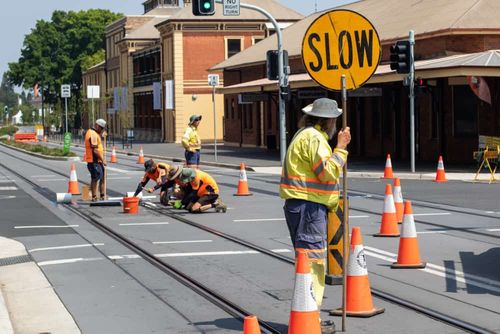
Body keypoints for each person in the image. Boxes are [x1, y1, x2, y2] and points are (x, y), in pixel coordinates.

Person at [279, 98, 351, 334]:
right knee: (313, 264)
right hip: (309, 208)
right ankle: (310, 319)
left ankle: (308, 316)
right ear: (328, 120)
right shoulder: (315, 138)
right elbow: (327, 172)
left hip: (301, 206)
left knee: (306, 263)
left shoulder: (303, 134)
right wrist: (341, 148)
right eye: (334, 120)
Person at [84, 119, 107, 201]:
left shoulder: (95, 133)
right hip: (94, 161)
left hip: (98, 161)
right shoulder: (92, 134)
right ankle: (94, 196)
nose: (102, 130)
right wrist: (103, 159)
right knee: (95, 178)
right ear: (97, 125)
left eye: (103, 128)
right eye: (101, 128)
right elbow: (95, 150)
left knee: (102, 177)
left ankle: (102, 195)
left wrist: (102, 135)